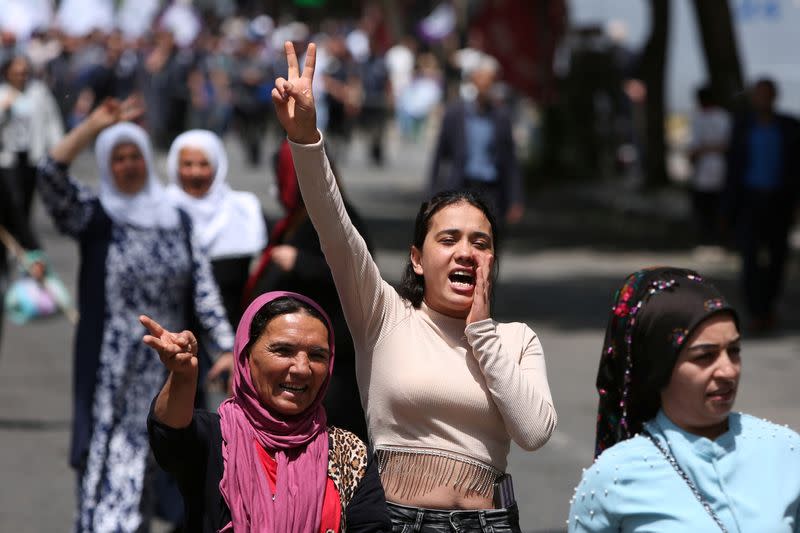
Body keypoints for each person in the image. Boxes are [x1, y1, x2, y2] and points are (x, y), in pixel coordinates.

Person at [272, 41, 556, 531]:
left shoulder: (517, 340)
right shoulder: (383, 314)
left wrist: (483, 334)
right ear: (418, 259)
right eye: (449, 239)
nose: (466, 252)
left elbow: (532, 432)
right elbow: (334, 226)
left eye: (480, 242)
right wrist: (306, 139)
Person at [36, 97, 234, 532]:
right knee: (114, 482)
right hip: (114, 372)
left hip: (171, 370)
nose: (128, 165)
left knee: (179, 476)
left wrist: (226, 347)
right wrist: (92, 127)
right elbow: (49, 176)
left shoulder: (175, 218)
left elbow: (203, 291)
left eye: (134, 157)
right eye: (118, 158)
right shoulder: (98, 216)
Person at [568, 267, 800, 532]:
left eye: (733, 351)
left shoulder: (786, 450)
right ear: (659, 365)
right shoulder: (614, 477)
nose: (728, 370)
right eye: (705, 356)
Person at [145, 291, 391, 532]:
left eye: (317, 355)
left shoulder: (347, 454)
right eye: (283, 351)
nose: (302, 369)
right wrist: (182, 376)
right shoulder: (216, 437)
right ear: (246, 355)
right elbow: (170, 437)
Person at [243, 137, 372, 441]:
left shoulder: (340, 218)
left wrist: (300, 262)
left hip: (333, 358)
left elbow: (360, 274)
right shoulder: (295, 218)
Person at [166, 128, 267, 328]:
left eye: (204, 164)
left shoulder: (243, 210)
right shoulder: (161, 210)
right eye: (187, 164)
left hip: (232, 331)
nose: (195, 172)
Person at [724, 78, 800, 332]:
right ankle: (756, 310)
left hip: (779, 200)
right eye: (758, 95)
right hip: (750, 200)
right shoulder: (743, 126)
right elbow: (733, 168)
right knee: (750, 258)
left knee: (778, 258)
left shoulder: (789, 127)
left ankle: (768, 307)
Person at [429, 55, 524, 226]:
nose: (485, 85)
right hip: (462, 186)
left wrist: (515, 199)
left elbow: (510, 161)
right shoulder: (455, 114)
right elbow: (440, 155)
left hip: (492, 190)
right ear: (473, 80)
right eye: (482, 79)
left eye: (490, 80)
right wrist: (432, 193)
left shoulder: (501, 117)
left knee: (489, 240)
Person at [0, 54, 63, 232]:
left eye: (24, 73)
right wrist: (4, 109)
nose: (21, 77)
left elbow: (51, 121)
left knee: (26, 199)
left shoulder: (38, 92)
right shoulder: (3, 93)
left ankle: (23, 238)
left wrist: (57, 148)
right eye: (16, 73)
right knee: (13, 199)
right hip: (7, 156)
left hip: (32, 155)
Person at [687, 85, 730, 249]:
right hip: (707, 170)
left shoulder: (715, 118)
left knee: (711, 207)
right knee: (708, 207)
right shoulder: (706, 117)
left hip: (713, 169)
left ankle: (715, 238)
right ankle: (710, 238)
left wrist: (703, 150)